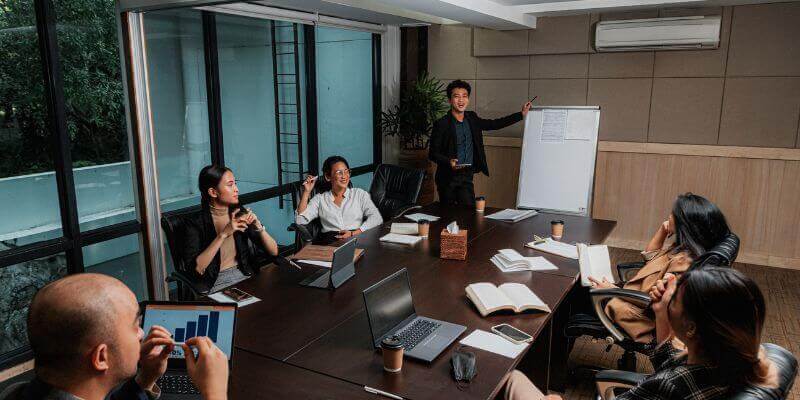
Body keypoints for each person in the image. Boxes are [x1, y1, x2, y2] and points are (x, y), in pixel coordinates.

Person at [504, 267, 780, 399]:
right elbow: (669, 360)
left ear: (693, 328)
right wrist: (663, 312)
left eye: (677, 297)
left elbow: (669, 377)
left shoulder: (672, 387)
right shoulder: (734, 361)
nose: (670, 291)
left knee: (511, 377)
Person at [4, 274, 229, 400]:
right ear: (101, 357)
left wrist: (145, 379)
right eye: (135, 325)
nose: (142, 334)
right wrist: (215, 393)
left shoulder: (15, 393)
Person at [588, 193, 731, 343]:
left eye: (672, 214)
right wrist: (663, 230)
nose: (668, 217)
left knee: (575, 296)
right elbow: (651, 256)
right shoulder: (687, 249)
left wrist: (611, 289)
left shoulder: (684, 264)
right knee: (585, 287)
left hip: (638, 314)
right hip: (631, 297)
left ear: (685, 223)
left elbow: (658, 302)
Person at [428, 80, 532, 206]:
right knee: (449, 216)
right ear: (450, 100)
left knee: (468, 213)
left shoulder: (472, 118)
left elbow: (494, 124)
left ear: (468, 99)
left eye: (464, 96)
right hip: (447, 177)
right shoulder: (442, 123)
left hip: (467, 175)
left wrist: (520, 114)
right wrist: (449, 161)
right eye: (456, 96)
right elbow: (433, 153)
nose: (461, 100)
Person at [183, 165, 279, 293]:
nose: (236, 189)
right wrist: (223, 234)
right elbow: (197, 268)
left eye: (235, 184)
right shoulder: (194, 223)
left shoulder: (238, 213)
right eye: (230, 185)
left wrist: (259, 227)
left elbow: (274, 252)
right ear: (213, 192)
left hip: (246, 273)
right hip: (216, 281)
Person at [296, 155, 383, 242]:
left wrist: (355, 232)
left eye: (346, 171)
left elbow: (377, 218)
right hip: (329, 242)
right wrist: (307, 191)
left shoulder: (359, 194)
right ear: (328, 176)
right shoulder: (320, 199)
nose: (344, 176)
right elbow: (301, 220)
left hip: (356, 238)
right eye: (339, 172)